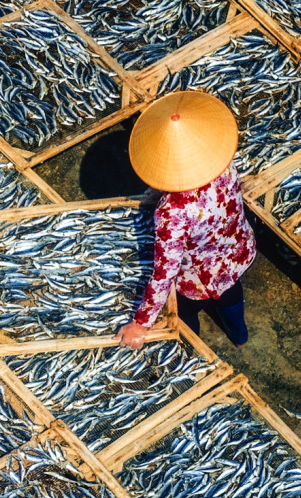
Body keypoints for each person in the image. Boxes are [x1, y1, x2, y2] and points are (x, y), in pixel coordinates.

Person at [107, 89, 255, 350]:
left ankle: (192, 347)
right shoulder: (221, 162)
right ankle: (240, 337)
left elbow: (165, 272)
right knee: (230, 293)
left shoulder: (173, 212)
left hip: (197, 277)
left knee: (185, 312)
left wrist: (141, 323)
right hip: (235, 250)